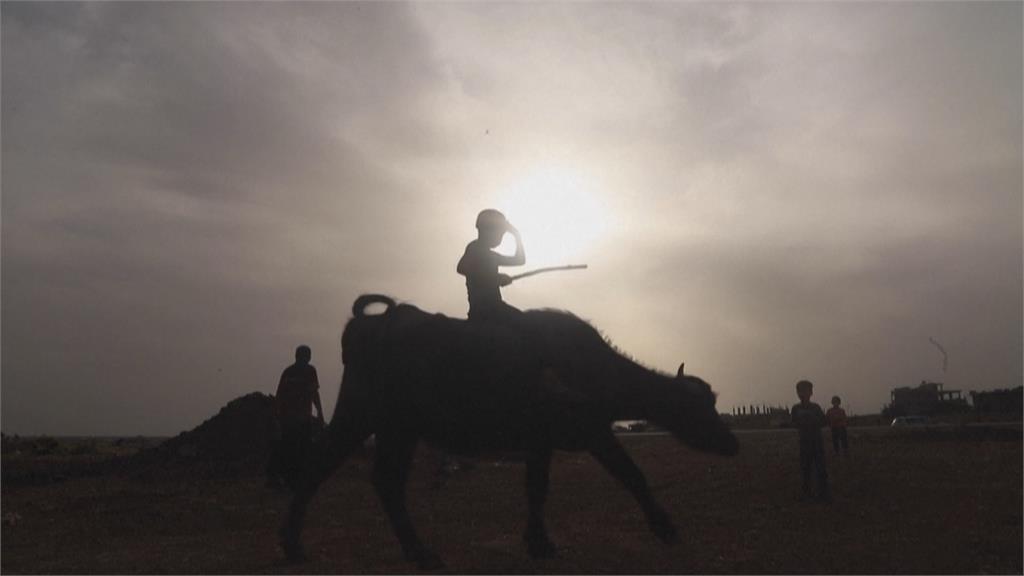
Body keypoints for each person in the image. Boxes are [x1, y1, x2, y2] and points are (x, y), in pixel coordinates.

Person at [267, 345, 325, 490]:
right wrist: (320, 412)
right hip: (296, 418)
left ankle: (292, 479)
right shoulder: (308, 371)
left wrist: (277, 415)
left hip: (292, 418)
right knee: (298, 449)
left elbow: (280, 395)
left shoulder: (289, 372)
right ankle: (292, 480)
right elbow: (313, 394)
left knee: (294, 448)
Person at [457, 209, 525, 323]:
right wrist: (495, 278)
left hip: (494, 308)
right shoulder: (474, 248)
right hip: (487, 310)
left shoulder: (491, 255)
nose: (501, 237)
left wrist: (517, 235)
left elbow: (519, 260)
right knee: (526, 323)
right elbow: (461, 268)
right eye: (500, 232)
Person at [791, 380, 829, 502]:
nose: (803, 393)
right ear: (797, 393)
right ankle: (807, 492)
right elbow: (794, 423)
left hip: (816, 441)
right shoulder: (795, 408)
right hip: (804, 442)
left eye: (806, 390)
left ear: (811, 392)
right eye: (800, 391)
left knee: (820, 468)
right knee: (805, 468)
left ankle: (823, 493)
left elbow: (823, 421)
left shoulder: (816, 407)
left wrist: (812, 422)